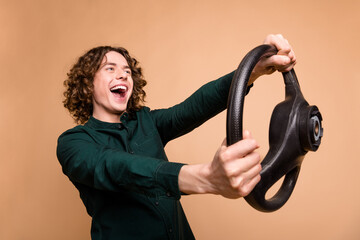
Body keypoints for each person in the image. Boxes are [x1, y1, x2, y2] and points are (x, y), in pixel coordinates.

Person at [57, 34, 296, 240]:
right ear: (88, 84)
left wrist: (250, 70)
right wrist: (204, 178)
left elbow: (193, 108)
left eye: (127, 71)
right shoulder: (73, 143)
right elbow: (116, 167)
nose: (123, 75)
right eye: (110, 68)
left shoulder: (146, 121)